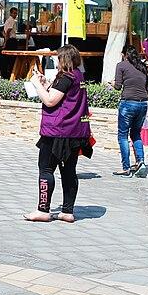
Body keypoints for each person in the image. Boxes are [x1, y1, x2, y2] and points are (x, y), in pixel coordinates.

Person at [24, 44, 90, 223]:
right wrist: (47, 84)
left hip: (56, 132)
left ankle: (43, 210)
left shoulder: (65, 77)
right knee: (69, 171)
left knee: (46, 169)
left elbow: (51, 100)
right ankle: (67, 211)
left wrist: (37, 85)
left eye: (58, 58)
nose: (57, 61)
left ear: (64, 59)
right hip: (74, 132)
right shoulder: (78, 75)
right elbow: (63, 97)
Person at [113, 43, 148, 177]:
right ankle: (140, 162)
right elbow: (147, 85)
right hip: (143, 103)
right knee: (136, 134)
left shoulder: (121, 65)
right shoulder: (142, 66)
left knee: (123, 135)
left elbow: (118, 86)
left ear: (124, 55)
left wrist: (113, 83)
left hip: (128, 103)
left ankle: (126, 168)